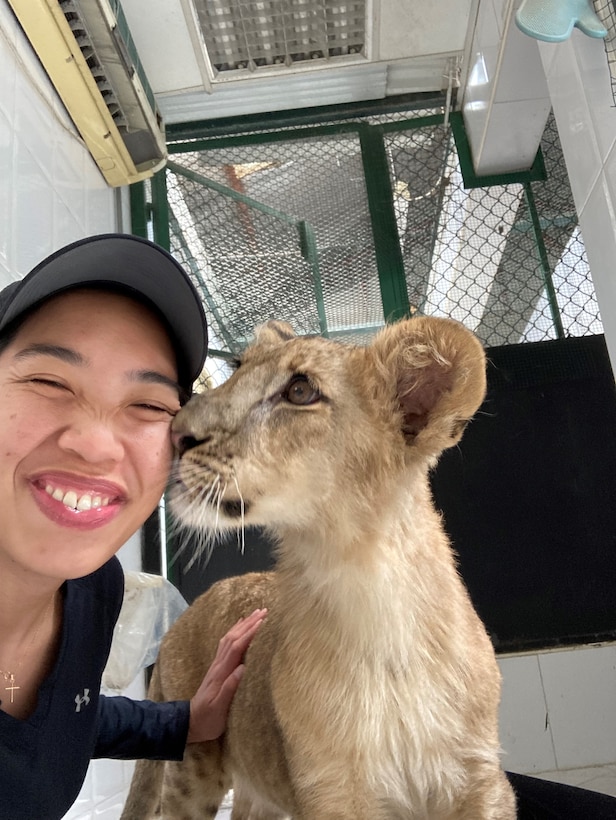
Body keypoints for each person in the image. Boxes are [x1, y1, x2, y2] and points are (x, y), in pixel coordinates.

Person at [0, 234, 266, 819]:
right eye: (49, 382)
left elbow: (60, 717)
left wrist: (184, 721)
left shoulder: (95, 590)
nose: (95, 446)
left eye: (149, 406)